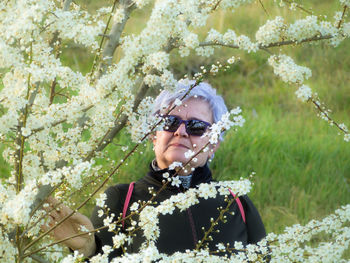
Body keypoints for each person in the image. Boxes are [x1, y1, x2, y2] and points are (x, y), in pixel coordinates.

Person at [46, 80, 266, 260]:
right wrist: (88, 250)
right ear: (154, 135)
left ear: (213, 144)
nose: (180, 131)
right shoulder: (120, 201)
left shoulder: (236, 203)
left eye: (197, 127)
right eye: (170, 122)